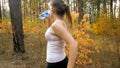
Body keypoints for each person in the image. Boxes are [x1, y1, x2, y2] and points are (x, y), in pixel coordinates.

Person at [45, 0, 78, 68]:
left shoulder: (56, 25)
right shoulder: (61, 23)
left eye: (50, 8)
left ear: (53, 10)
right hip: (58, 60)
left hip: (55, 64)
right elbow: (52, 34)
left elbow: (74, 44)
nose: (48, 11)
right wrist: (48, 20)